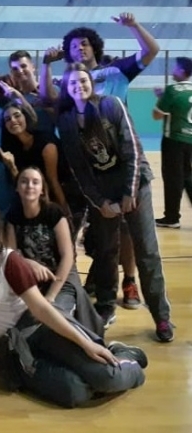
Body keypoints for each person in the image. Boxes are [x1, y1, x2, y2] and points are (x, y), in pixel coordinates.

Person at [0, 197, 147, 407]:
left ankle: (126, 358)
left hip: (39, 329)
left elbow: (41, 308)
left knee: (107, 377)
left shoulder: (8, 261)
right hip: (11, 349)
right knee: (76, 392)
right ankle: (83, 369)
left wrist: (86, 344)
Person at [56, 64, 173, 341]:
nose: (79, 86)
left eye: (83, 80)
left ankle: (161, 317)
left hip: (135, 184)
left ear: (91, 83)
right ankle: (106, 306)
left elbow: (133, 149)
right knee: (106, 251)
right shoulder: (67, 121)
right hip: (104, 192)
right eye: (73, 83)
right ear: (67, 89)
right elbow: (80, 170)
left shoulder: (111, 105)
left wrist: (130, 192)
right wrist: (100, 203)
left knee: (147, 252)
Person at [5, 167, 103, 334]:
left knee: (54, 318)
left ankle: (87, 338)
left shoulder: (54, 213)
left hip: (61, 279)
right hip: (33, 282)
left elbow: (67, 256)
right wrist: (29, 263)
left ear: (42, 189)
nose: (29, 186)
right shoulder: (13, 216)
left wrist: (50, 297)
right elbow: (11, 256)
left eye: (35, 182)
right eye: (24, 181)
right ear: (17, 188)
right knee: (21, 327)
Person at [152, 56, 192, 228]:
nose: (173, 71)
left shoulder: (172, 89)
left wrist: (161, 99)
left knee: (172, 179)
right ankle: (172, 217)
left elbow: (157, 115)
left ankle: (171, 217)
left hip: (173, 139)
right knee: (187, 176)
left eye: (175, 68)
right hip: (190, 140)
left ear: (182, 71)